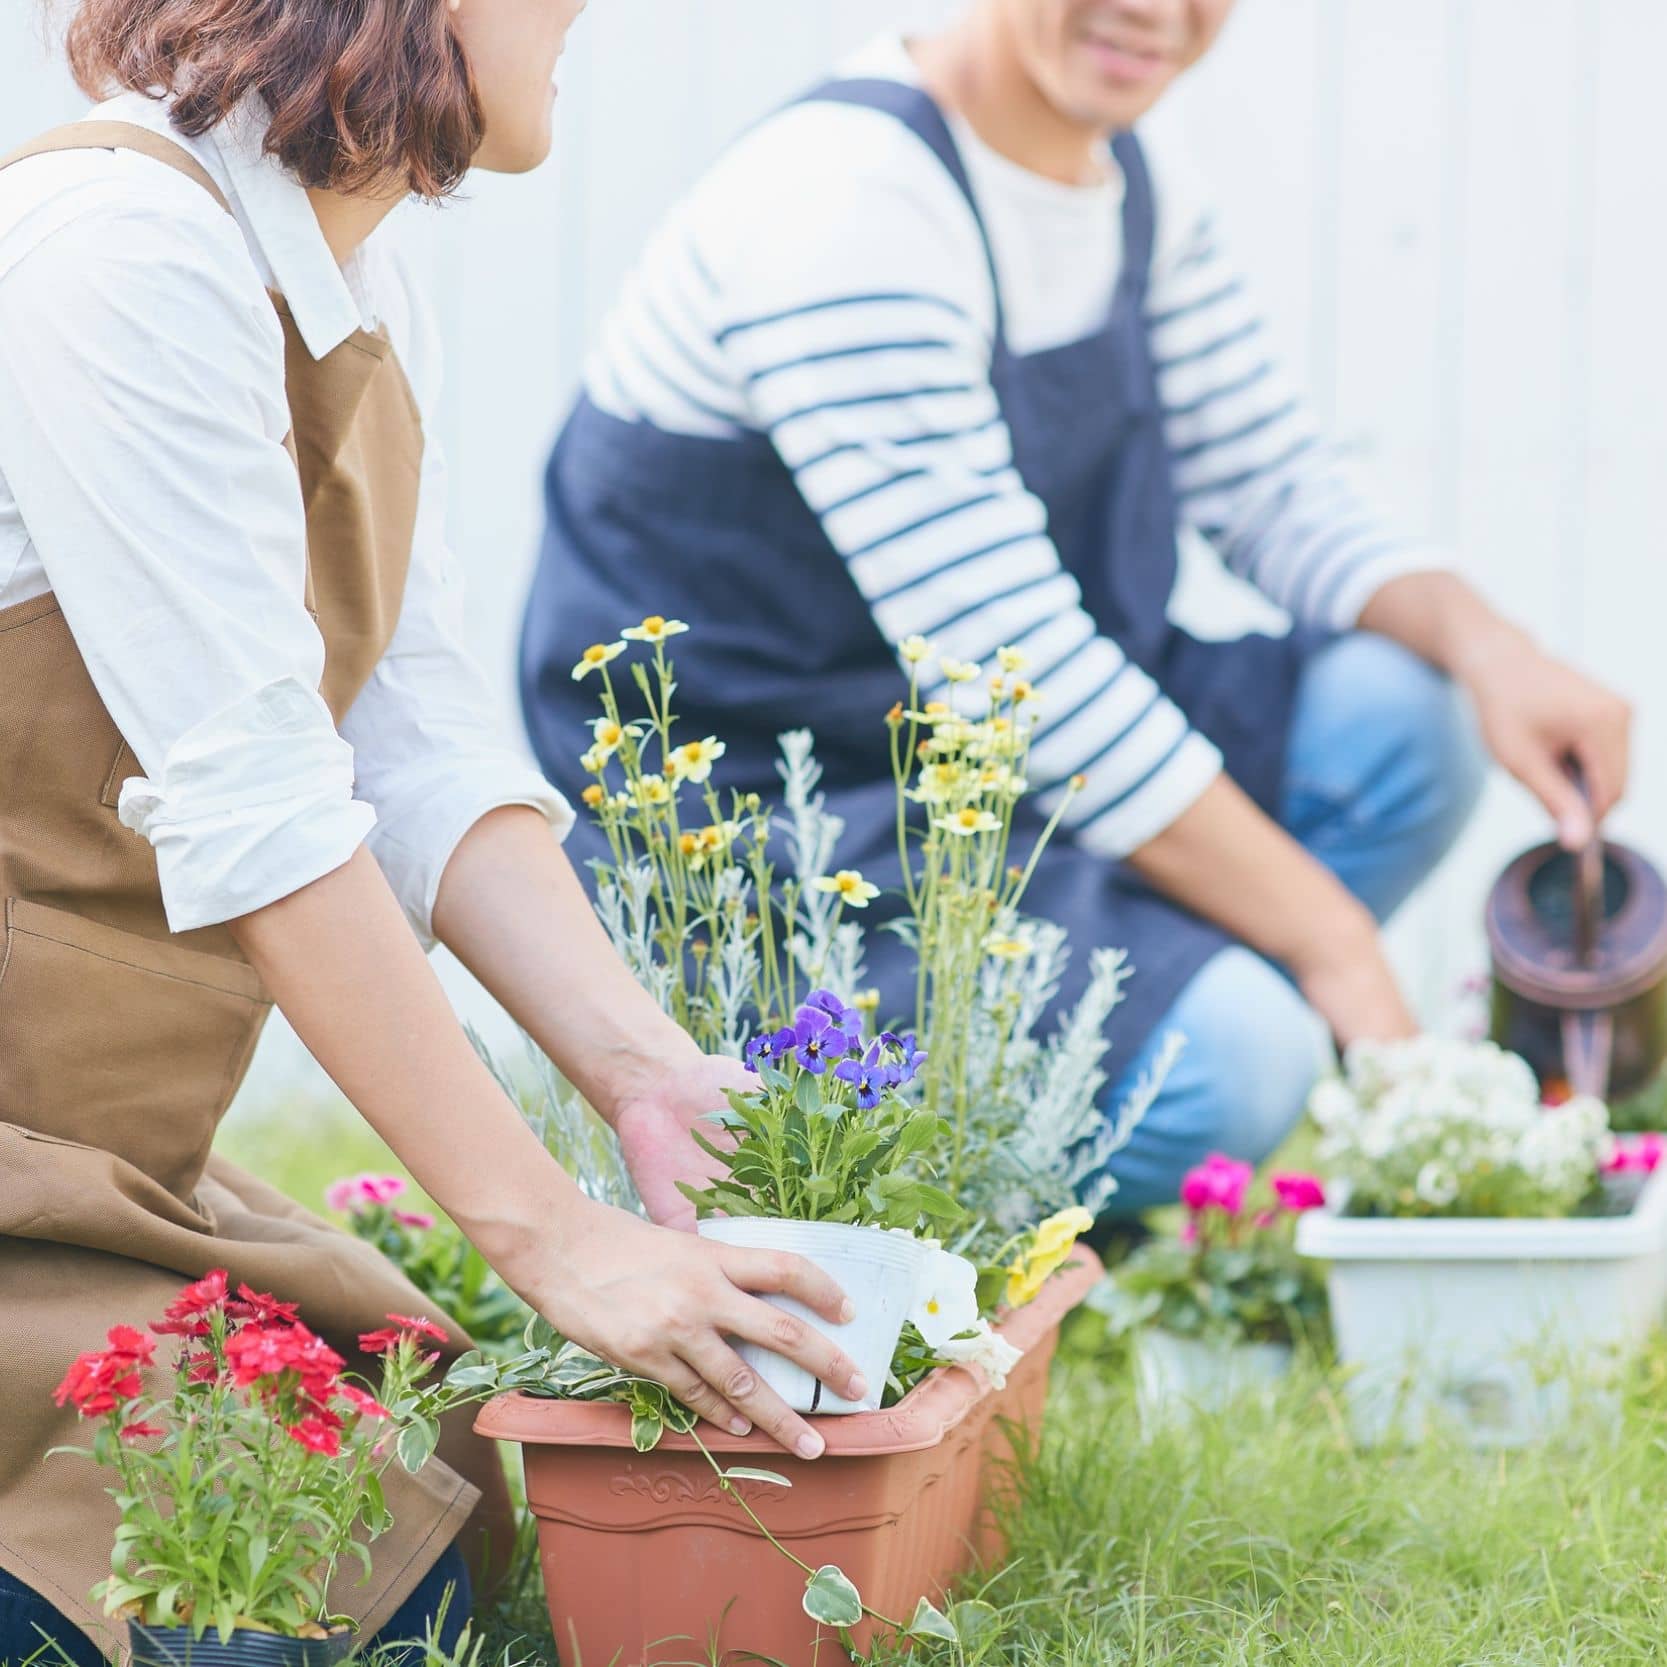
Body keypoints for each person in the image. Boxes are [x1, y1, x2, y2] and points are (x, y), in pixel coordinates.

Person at [0, 2, 870, 1661]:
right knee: (250, 1612)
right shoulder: (112, 256)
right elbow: (266, 809)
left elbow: (414, 748)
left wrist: (643, 1072)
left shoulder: (350, 295)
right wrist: (556, 1233)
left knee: (430, 1490)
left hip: (90, 1155)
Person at [520, 0, 1631, 1213]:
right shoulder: (841, 208)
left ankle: (1125, 1067)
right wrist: (1337, 952)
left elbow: (1268, 487)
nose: (1154, 10)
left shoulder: (1122, 183)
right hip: (790, 831)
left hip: (994, 775)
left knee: (1405, 716)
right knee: (1237, 1060)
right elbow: (1017, 672)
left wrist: (1494, 651)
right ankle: (929, 1219)